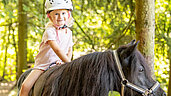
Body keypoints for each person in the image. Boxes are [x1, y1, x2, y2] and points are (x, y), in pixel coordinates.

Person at [19, 0, 74, 95]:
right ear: (50, 16)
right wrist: (69, 63)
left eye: (63, 13)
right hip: (43, 65)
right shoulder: (49, 31)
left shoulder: (68, 32)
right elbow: (57, 49)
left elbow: (69, 49)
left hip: (61, 63)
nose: (60, 17)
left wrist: (66, 62)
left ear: (68, 14)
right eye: (56, 14)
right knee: (25, 86)